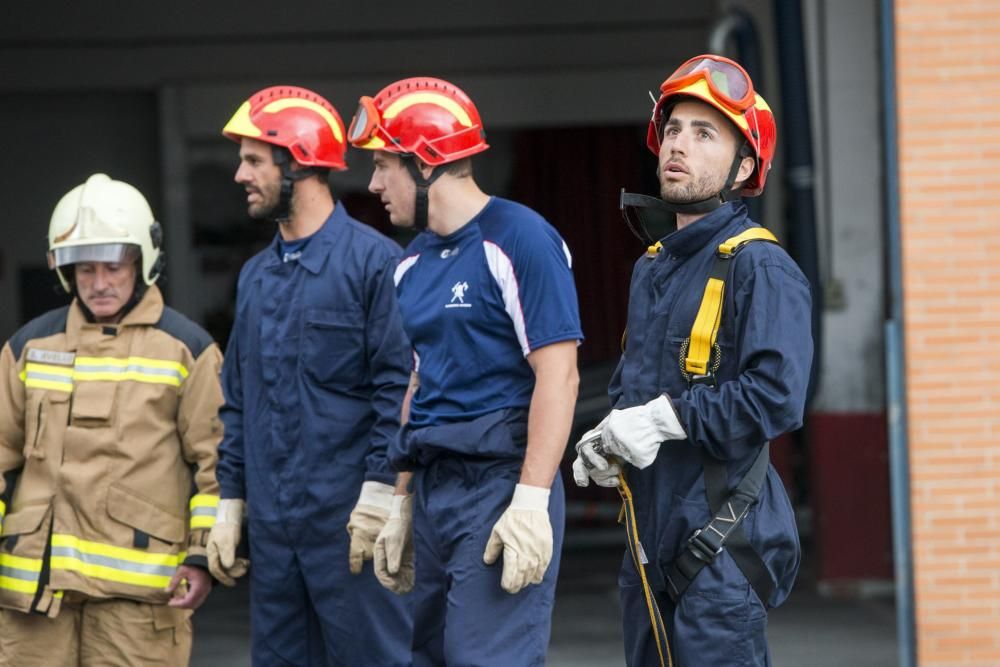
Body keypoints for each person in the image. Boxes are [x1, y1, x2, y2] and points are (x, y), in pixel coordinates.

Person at [573, 54, 813, 666]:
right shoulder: (653, 267)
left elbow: (775, 397)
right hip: (646, 554)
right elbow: (636, 389)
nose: (678, 145)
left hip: (719, 559)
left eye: (704, 134)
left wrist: (659, 421)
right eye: (673, 129)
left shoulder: (760, 267)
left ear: (745, 165)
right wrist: (607, 439)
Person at [347, 77, 583, 666]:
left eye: (383, 166)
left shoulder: (520, 238)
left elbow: (561, 377)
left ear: (426, 165)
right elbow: (419, 383)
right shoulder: (412, 263)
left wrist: (529, 500)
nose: (373, 184)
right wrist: (401, 500)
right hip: (434, 487)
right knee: (429, 656)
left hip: (500, 485)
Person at [209, 85, 413, 666]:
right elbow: (239, 403)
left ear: (298, 163)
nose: (239, 174)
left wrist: (380, 494)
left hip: (351, 527)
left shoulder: (376, 266)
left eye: (253, 160)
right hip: (275, 538)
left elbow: (397, 394)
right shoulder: (255, 278)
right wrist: (231, 502)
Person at [0, 173, 223, 665]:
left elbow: (216, 467)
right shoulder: (28, 348)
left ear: (142, 262)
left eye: (113, 268)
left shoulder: (187, 351)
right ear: (65, 272)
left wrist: (202, 557)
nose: (99, 284)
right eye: (85, 270)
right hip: (34, 599)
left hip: (139, 601)